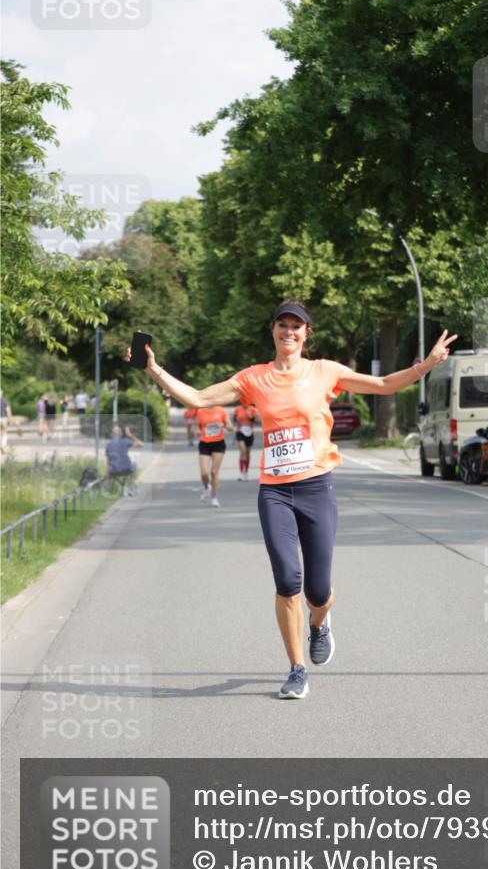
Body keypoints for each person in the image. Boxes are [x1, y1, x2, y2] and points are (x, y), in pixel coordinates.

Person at [128, 299, 457, 699]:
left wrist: (426, 365)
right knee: (287, 581)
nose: (289, 332)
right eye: (282, 325)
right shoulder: (254, 378)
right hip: (276, 492)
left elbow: (384, 385)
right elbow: (198, 399)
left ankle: (320, 622)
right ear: (273, 331)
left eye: (296, 326)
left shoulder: (325, 372)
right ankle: (297, 669)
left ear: (307, 334)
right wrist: (153, 369)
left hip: (317, 488)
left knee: (318, 591)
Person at [195, 405, 234, 507]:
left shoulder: (221, 410)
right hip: (204, 444)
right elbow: (198, 426)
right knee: (204, 473)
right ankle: (205, 486)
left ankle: (214, 497)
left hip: (218, 444)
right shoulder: (200, 411)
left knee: (214, 472)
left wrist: (223, 425)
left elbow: (231, 428)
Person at [105, 425, 142, 496]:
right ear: (121, 434)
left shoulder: (108, 445)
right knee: (134, 464)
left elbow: (108, 460)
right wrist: (130, 434)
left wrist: (108, 471)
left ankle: (107, 490)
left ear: (112, 434)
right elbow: (140, 444)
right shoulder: (125, 441)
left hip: (113, 471)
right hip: (127, 469)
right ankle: (131, 487)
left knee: (108, 468)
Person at [233, 403, 259, 480]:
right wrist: (236, 419)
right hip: (240, 432)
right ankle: (241, 473)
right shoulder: (237, 409)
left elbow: (257, 421)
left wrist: (251, 417)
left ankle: (246, 472)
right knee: (243, 451)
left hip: (249, 432)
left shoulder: (253, 409)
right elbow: (234, 420)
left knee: (247, 453)